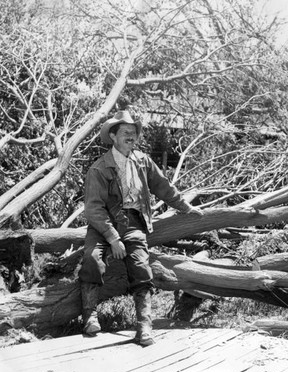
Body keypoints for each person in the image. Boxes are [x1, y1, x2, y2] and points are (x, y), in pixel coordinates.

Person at [79, 110, 203, 346]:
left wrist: (185, 206)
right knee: (92, 258)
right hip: (103, 224)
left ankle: (144, 325)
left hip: (134, 222)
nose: (131, 137)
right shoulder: (99, 168)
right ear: (113, 136)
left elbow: (163, 186)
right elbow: (93, 209)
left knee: (140, 265)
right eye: (126, 133)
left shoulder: (143, 161)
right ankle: (89, 316)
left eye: (134, 134)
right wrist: (113, 238)